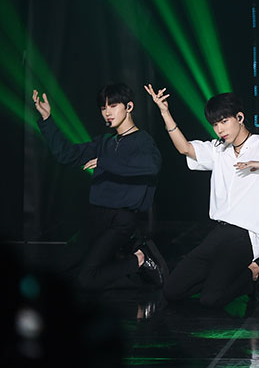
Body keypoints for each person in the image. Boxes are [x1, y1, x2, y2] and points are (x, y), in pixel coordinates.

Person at [144, 84, 259, 308]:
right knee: (172, 290)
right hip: (219, 233)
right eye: (215, 124)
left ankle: (253, 272)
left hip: (246, 236)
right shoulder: (219, 149)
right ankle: (230, 275)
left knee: (210, 299)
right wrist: (165, 112)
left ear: (240, 118)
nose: (219, 129)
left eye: (224, 121)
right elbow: (185, 148)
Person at [32, 85, 165, 291]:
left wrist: (105, 162)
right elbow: (66, 154)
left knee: (86, 280)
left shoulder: (143, 141)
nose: (107, 112)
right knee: (62, 271)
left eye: (113, 106)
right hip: (96, 217)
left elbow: (151, 166)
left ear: (129, 107)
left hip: (121, 221)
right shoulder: (104, 142)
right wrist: (47, 119)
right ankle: (124, 256)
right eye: (103, 108)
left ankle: (139, 259)